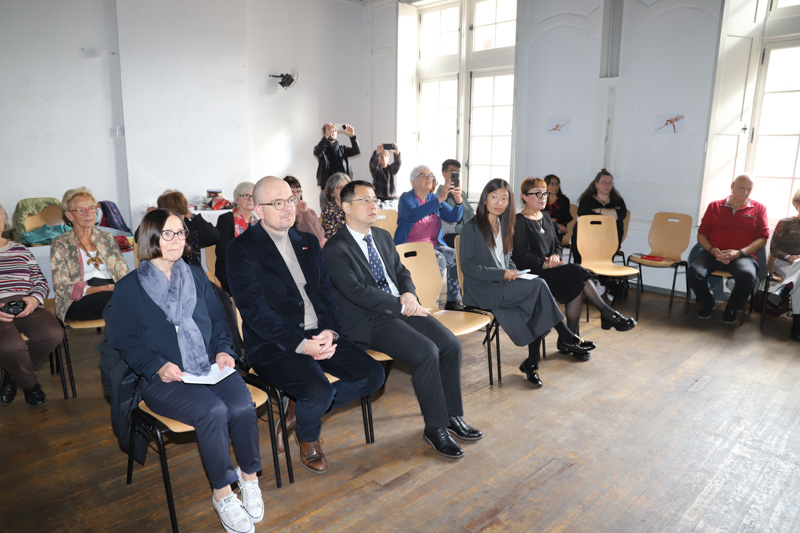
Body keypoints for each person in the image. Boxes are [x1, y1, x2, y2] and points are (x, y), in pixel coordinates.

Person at [108, 209, 263, 533]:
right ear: (150, 238)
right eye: (168, 233)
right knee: (213, 411)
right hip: (163, 377)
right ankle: (222, 493)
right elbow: (123, 341)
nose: (178, 240)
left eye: (181, 233)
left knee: (240, 405)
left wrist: (222, 349)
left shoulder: (195, 276)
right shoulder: (128, 289)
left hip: (208, 366)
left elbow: (220, 321)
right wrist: (156, 366)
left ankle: (248, 478)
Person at [226, 177, 384, 474]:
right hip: (275, 344)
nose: (287, 208)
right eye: (277, 203)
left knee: (373, 376)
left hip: (319, 334)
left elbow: (326, 294)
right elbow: (255, 312)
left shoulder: (308, 242)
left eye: (289, 200)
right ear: (258, 211)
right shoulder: (241, 249)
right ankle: (308, 437)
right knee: (319, 391)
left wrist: (330, 331)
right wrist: (303, 345)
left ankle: (299, 415)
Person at [323, 180, 482, 460]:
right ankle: (435, 427)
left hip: (402, 307)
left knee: (450, 345)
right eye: (366, 201)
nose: (374, 206)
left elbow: (401, 271)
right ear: (346, 207)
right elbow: (355, 292)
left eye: (375, 200)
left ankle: (452, 415)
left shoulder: (382, 237)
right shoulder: (335, 249)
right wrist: (400, 302)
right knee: (425, 352)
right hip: (370, 318)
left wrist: (408, 293)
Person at [459, 179, 596, 389]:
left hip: (503, 282)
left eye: (504, 198)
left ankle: (533, 363)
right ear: (484, 198)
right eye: (494, 197)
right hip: (481, 290)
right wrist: (501, 273)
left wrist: (514, 271)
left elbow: (507, 258)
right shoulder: (472, 227)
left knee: (536, 295)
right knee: (539, 287)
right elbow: (468, 267)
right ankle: (566, 336)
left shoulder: (504, 225)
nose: (499, 202)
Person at [512, 178, 635, 341]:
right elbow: (520, 256)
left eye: (545, 193)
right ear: (524, 197)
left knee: (577, 284)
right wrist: (546, 263)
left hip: (551, 269)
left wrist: (555, 255)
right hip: (533, 274)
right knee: (577, 272)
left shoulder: (546, 217)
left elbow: (557, 244)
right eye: (537, 194)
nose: (543, 197)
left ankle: (571, 339)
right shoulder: (518, 220)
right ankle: (605, 314)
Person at [0, 202, 63, 407]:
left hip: (26, 301)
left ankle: (13, 374)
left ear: (5, 221)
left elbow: (40, 280)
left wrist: (35, 298)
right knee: (11, 346)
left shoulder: (20, 249)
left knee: (53, 333)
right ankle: (30, 384)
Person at [690, 173, 769, 324]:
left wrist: (739, 252)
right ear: (732, 186)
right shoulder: (715, 206)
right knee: (694, 272)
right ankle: (708, 304)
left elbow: (763, 239)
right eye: (742, 188)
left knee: (747, 276)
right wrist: (712, 249)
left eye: (749, 190)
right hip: (714, 253)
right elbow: (702, 234)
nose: (745, 192)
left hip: (742, 256)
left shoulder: (759, 209)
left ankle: (732, 308)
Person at [50, 187, 129, 323]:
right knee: (121, 303)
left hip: (111, 289)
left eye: (92, 208)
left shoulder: (107, 238)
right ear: (69, 215)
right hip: (79, 298)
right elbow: (61, 286)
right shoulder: (61, 243)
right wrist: (104, 288)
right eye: (81, 210)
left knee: (141, 297)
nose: (88, 214)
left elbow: (123, 273)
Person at [395, 165, 464, 311]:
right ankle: (431, 303)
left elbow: (453, 217)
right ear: (414, 181)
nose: (429, 178)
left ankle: (453, 301)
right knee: (438, 259)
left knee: (455, 256)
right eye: (424, 175)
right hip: (411, 247)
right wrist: (440, 199)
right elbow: (413, 215)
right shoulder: (406, 198)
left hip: (433, 245)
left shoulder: (433, 198)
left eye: (431, 175)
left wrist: (458, 202)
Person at [572, 169, 627, 266]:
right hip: (589, 238)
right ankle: (580, 273)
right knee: (578, 227)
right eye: (604, 182)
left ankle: (605, 279)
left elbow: (621, 214)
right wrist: (610, 214)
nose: (607, 185)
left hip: (610, 238)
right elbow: (584, 215)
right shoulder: (587, 200)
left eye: (610, 183)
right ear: (596, 184)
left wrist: (599, 210)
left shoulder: (617, 200)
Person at [156, 190, 219, 268]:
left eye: (180, 214)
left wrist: (193, 217)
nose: (177, 219)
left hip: (193, 274)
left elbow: (213, 236)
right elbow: (140, 236)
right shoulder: (157, 228)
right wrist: (152, 218)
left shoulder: (189, 227)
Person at [215, 182, 257, 293]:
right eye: (245, 195)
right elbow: (222, 252)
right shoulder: (226, 219)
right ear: (237, 199)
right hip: (230, 271)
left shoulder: (258, 223)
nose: (250, 199)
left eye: (253, 196)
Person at [769, 189, 800, 341]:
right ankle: (797, 325)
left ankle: (785, 288)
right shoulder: (785, 223)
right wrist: (788, 257)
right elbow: (774, 247)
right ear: (796, 203)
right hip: (784, 263)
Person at [314, 123, 360, 209]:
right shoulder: (321, 149)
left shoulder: (343, 149)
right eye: (329, 129)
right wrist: (326, 138)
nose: (332, 131)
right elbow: (317, 152)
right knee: (327, 216)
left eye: (334, 129)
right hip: (326, 189)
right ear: (324, 134)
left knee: (345, 214)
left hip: (343, 189)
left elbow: (356, 151)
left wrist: (352, 136)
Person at [437, 159, 474, 248]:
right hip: (452, 234)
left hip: (468, 231)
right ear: (444, 173)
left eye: (458, 171)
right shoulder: (439, 195)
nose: (456, 174)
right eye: (453, 171)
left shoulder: (461, 193)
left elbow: (470, 213)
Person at [284, 175, 326, 247]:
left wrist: (305, 212)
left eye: (298, 191)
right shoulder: (283, 212)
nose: (295, 195)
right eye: (291, 191)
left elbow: (320, 236)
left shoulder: (310, 212)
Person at [369, 143, 401, 209]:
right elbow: (372, 164)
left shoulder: (392, 169)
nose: (383, 157)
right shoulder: (376, 170)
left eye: (385, 156)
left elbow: (398, 163)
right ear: (378, 159)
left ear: (388, 158)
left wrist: (397, 153)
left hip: (392, 200)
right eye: (381, 156)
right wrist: (377, 152)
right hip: (379, 200)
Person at [320, 173, 351, 240]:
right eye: (340, 188)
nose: (344, 190)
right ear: (332, 192)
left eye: (346, 186)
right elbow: (333, 238)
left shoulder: (355, 208)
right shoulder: (328, 212)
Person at [544, 174, 573, 238]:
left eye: (557, 184)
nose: (556, 186)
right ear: (546, 186)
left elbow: (565, 217)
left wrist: (554, 222)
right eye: (552, 184)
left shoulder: (564, 200)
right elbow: (539, 217)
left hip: (558, 231)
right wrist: (556, 223)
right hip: (543, 229)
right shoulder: (542, 199)